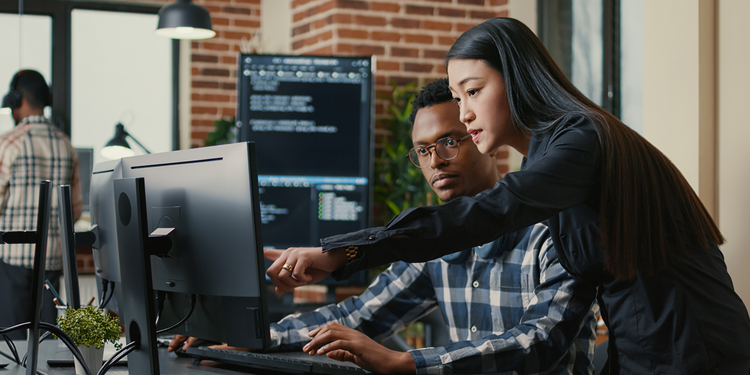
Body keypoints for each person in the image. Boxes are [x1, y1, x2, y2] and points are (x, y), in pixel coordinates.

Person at [267, 18, 750, 375]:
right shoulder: (552, 157)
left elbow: (489, 213)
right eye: (458, 98)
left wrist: (343, 251)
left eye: (473, 91)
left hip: (694, 353)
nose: (466, 113)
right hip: (640, 347)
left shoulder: (580, 138)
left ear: (516, 78)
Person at [171, 78, 600, 374]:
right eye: (423, 150)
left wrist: (407, 362)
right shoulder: (433, 244)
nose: (436, 161)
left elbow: (540, 342)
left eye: (450, 141)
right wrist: (245, 338)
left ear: (482, 135)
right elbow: (358, 315)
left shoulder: (553, 227)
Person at [0, 69, 82, 339]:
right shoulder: (65, 145)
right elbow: (75, 209)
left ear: (16, 100)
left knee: (12, 349)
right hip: (52, 262)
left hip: (13, 262)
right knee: (48, 346)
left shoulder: (9, 142)